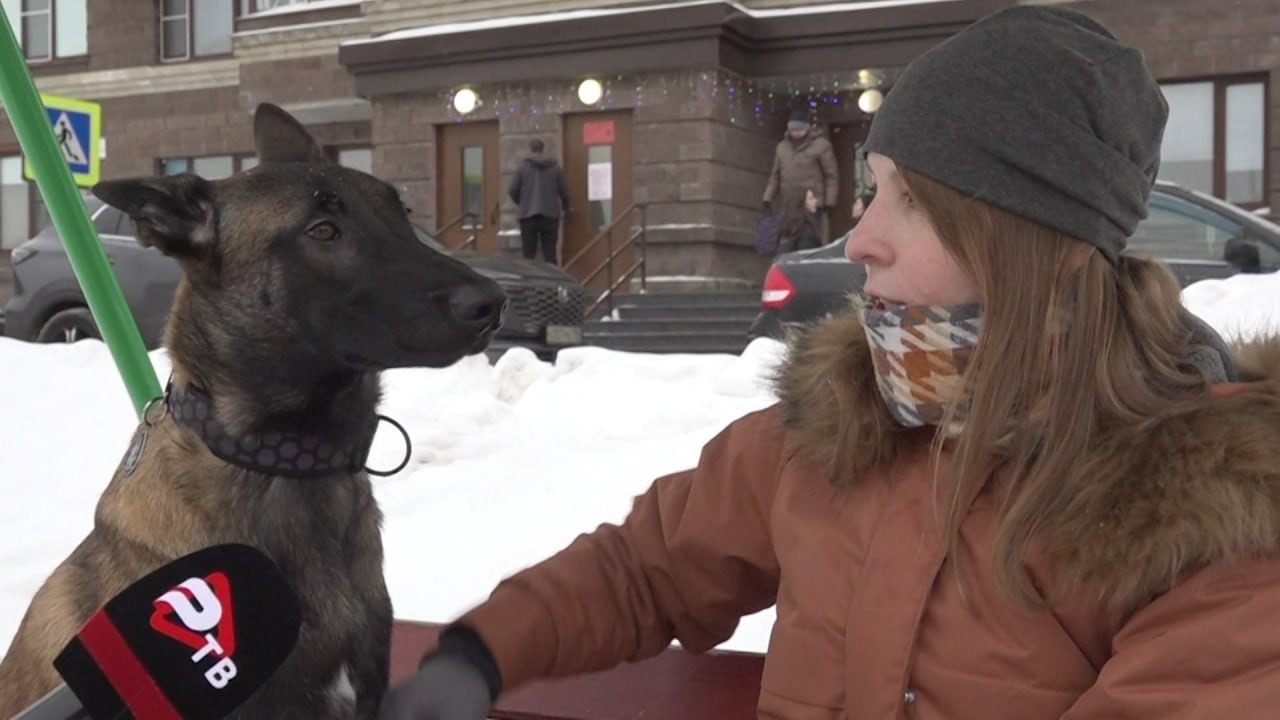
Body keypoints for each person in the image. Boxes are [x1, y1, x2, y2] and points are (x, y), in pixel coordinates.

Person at [380, 7, 1280, 719]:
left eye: (914, 203)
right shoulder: (839, 422)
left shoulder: (1204, 516)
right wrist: (479, 655)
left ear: (1047, 244)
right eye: (872, 191)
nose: (860, 240)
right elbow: (646, 568)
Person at [763, 110, 838, 243]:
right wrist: (767, 198)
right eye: (793, 130)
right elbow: (776, 175)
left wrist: (829, 202)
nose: (796, 133)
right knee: (786, 245)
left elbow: (831, 175)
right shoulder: (782, 148)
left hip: (812, 205)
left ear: (807, 128)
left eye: (800, 130)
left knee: (808, 242)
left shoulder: (821, 146)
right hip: (789, 206)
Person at [508, 139, 570, 264]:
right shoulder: (554, 167)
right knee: (550, 254)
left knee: (528, 255)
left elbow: (513, 189)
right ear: (543, 149)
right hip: (550, 215)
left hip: (527, 216)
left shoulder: (522, 167)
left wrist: (522, 202)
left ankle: (530, 276)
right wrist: (566, 208)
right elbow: (564, 191)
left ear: (531, 149)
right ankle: (552, 276)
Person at [776, 186, 824, 254]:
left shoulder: (787, 224)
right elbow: (806, 255)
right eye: (811, 198)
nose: (815, 201)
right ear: (801, 203)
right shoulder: (806, 230)